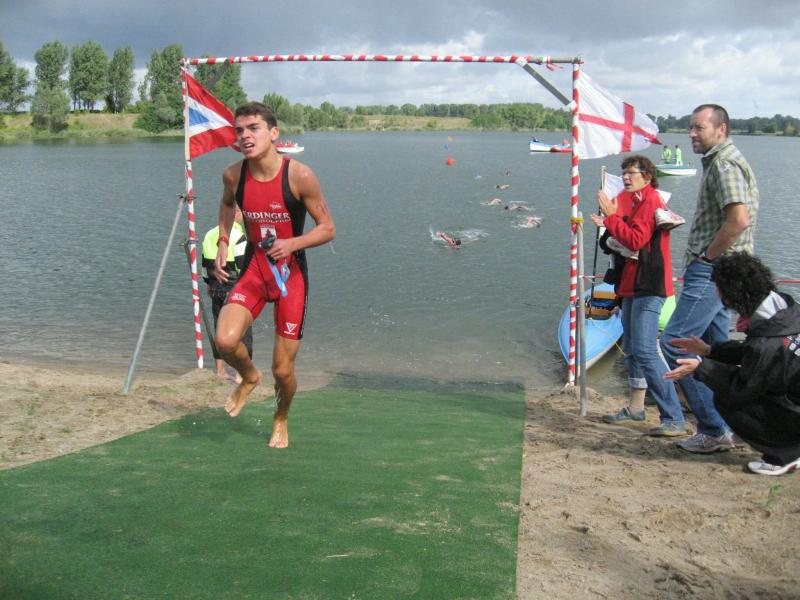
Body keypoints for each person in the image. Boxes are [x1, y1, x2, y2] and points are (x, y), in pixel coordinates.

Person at [214, 102, 335, 449]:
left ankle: (281, 416)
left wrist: (292, 243)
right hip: (254, 269)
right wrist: (223, 241)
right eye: (239, 130)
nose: (245, 136)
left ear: (274, 133)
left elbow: (327, 228)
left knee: (282, 371)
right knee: (225, 341)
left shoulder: (299, 176)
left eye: (253, 128)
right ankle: (249, 377)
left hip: (290, 277)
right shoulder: (233, 175)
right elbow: (227, 204)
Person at [660, 103, 759, 454]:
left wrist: (707, 257)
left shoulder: (725, 164)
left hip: (714, 269)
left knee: (675, 342)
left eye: (698, 128)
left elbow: (739, 220)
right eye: (690, 127)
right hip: (726, 271)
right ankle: (734, 427)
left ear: (721, 129)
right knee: (717, 352)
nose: (691, 134)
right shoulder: (723, 161)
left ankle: (713, 428)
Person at [665, 253, 800, 475]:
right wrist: (709, 350)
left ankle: (783, 456)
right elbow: (755, 353)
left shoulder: (767, 342)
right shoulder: (784, 307)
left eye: (718, 287)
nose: (716, 293)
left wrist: (700, 368)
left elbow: (742, 386)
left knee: (727, 399)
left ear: (732, 293)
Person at [590, 155, 686, 435]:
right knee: (632, 348)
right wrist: (609, 225)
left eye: (631, 172)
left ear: (648, 176)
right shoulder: (632, 199)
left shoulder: (651, 200)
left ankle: (674, 418)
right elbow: (621, 238)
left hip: (649, 284)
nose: (626, 177)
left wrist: (610, 218)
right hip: (631, 283)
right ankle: (636, 407)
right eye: (624, 172)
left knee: (645, 349)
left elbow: (636, 240)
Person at [201, 206, 252, 383]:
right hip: (235, 290)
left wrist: (208, 284)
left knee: (219, 327)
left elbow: (205, 264)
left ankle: (220, 370)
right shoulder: (240, 236)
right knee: (243, 330)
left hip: (216, 287)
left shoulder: (209, 234)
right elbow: (244, 268)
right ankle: (240, 374)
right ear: (237, 214)